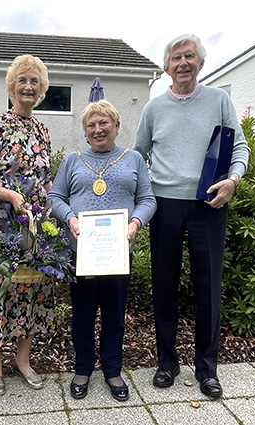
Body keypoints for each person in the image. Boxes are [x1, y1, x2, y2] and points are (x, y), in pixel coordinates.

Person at [133, 34, 250, 399]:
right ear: (166, 67)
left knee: (208, 286)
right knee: (164, 285)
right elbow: (138, 155)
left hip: (209, 204)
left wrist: (232, 180)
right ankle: (167, 363)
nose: (182, 63)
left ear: (200, 62)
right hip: (164, 204)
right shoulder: (153, 109)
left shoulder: (219, 100)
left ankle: (207, 368)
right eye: (175, 58)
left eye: (189, 56)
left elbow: (240, 146)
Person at [48, 100, 156, 402]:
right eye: (91, 125)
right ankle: (83, 367)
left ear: (116, 126)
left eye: (103, 123)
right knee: (81, 314)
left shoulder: (133, 158)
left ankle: (112, 369)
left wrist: (136, 222)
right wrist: (68, 216)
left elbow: (148, 199)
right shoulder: (73, 160)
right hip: (81, 253)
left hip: (118, 254)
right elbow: (56, 195)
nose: (97, 129)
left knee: (114, 315)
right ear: (85, 131)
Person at [0, 54, 55, 396]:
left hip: (31, 226)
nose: (28, 87)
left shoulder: (42, 130)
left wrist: (47, 206)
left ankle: (23, 361)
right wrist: (10, 195)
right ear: (12, 87)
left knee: (28, 291)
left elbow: (44, 181)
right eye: (22, 81)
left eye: (34, 81)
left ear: (42, 89)